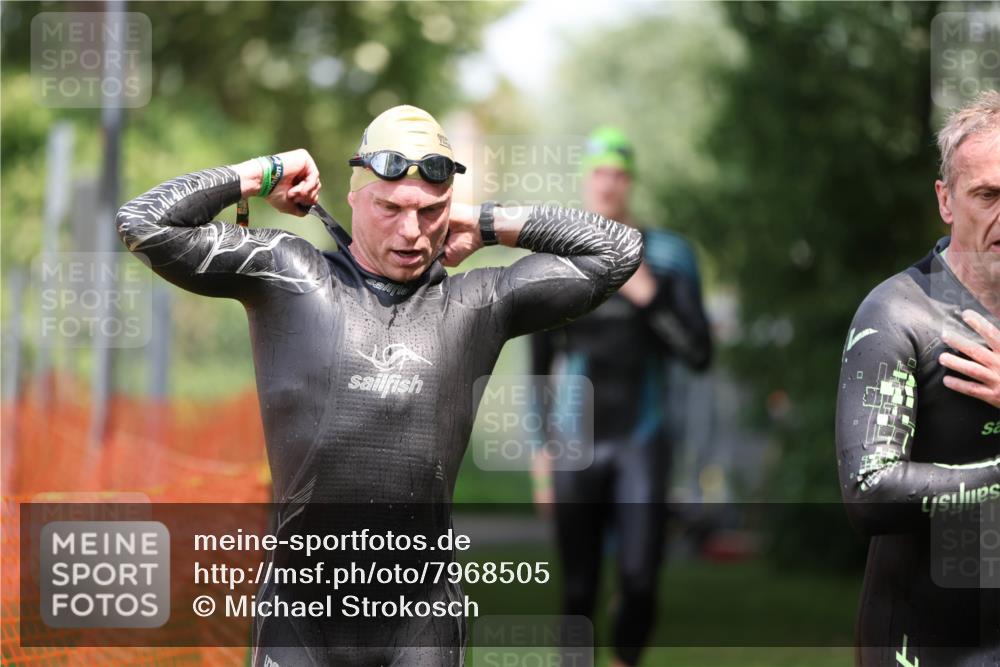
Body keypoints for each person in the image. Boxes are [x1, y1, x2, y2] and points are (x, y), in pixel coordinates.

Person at [116, 105, 643, 666]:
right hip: (300, 622)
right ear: (355, 197)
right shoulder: (287, 274)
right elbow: (145, 223)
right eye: (390, 207)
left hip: (420, 626)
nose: (411, 232)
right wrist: (264, 172)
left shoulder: (475, 304)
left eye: (430, 211)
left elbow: (618, 251)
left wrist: (485, 223)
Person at [530, 126, 712, 667]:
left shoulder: (669, 256)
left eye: (618, 175)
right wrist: (541, 450)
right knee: (579, 586)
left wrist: (647, 292)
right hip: (577, 443)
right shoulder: (560, 256)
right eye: (598, 174)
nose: (607, 185)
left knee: (639, 579)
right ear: (586, 180)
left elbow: (699, 353)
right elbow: (541, 364)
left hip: (642, 439)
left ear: (629, 181)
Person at [836, 90, 1000, 666]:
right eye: (988, 194)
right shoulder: (899, 315)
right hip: (926, 645)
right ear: (947, 201)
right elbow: (870, 494)